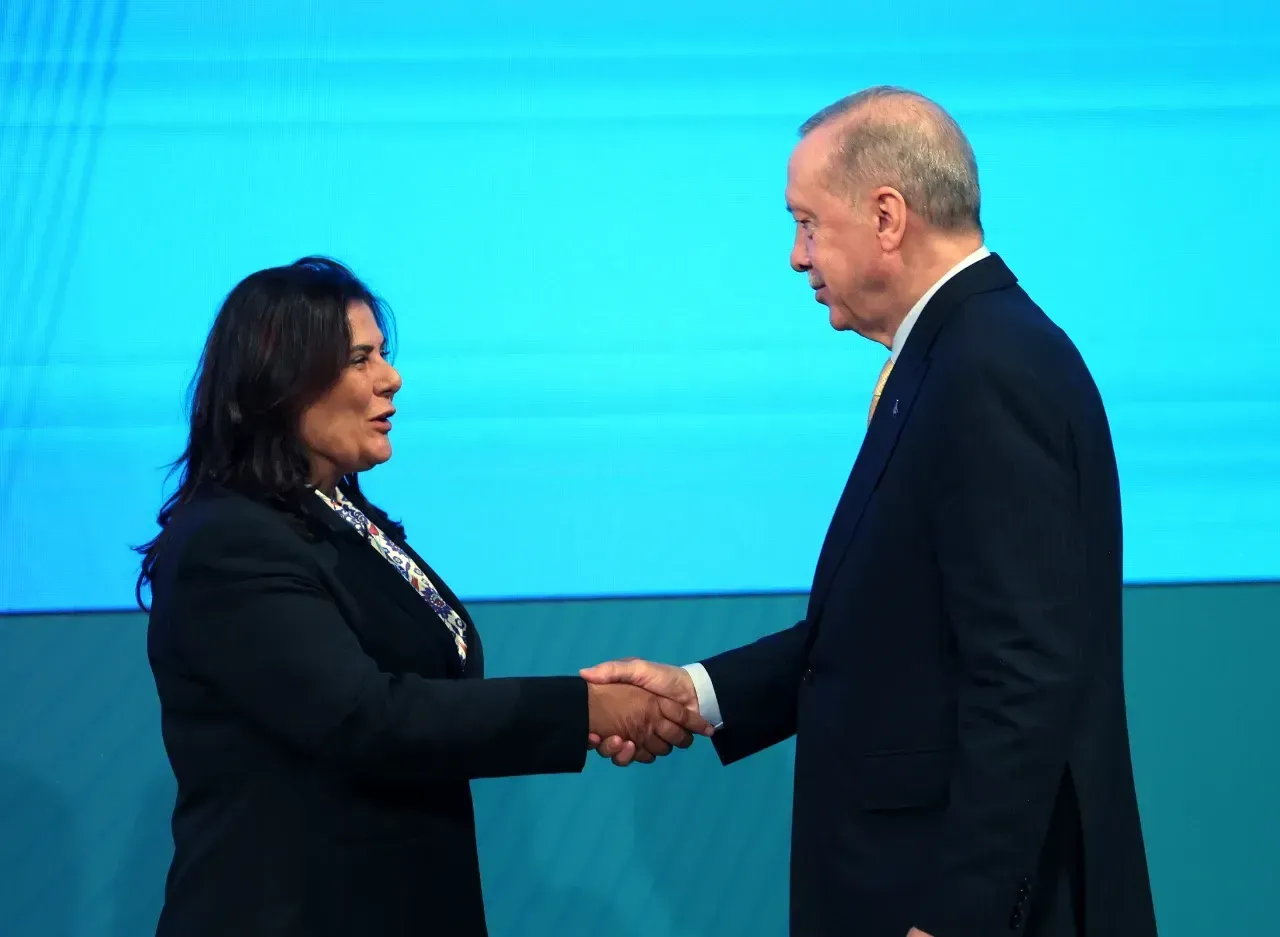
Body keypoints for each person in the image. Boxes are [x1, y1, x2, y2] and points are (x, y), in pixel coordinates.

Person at [583, 87, 1158, 937]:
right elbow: (889, 626)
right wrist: (701, 692)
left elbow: (1023, 673)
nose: (796, 257)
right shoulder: (953, 355)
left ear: (887, 216)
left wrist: (958, 918)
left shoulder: (989, 368)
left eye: (808, 224)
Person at [136, 257, 713, 937]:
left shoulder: (345, 518)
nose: (391, 378)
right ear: (280, 380)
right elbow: (364, 717)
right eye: (360, 359)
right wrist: (585, 706)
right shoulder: (230, 542)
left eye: (382, 354)